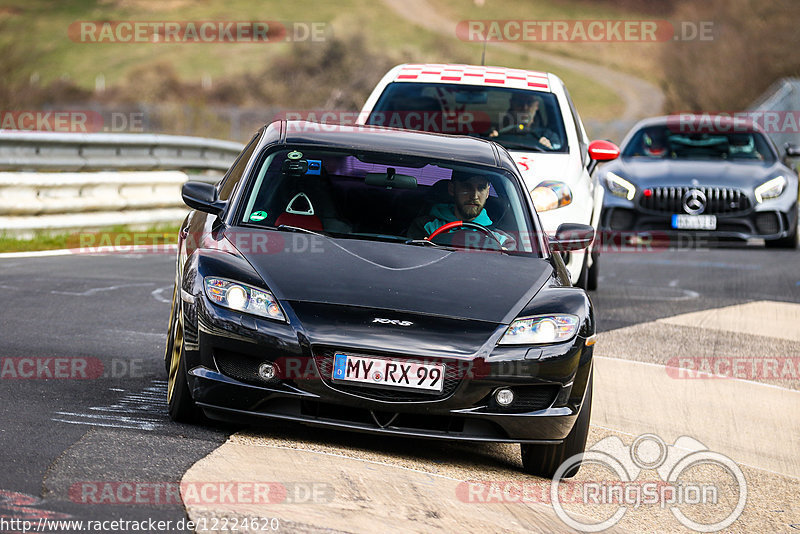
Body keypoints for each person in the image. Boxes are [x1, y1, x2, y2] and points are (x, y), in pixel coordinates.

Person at [407, 173, 512, 248]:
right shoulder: (426, 227)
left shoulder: (501, 239)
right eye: (467, 186)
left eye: (481, 188)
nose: (474, 196)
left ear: (487, 192)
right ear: (452, 189)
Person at [488, 92, 559, 149]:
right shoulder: (496, 131)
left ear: (537, 105)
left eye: (529, 103)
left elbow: (559, 151)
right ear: (512, 103)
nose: (525, 108)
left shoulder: (549, 136)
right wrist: (491, 141)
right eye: (520, 102)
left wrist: (549, 147)